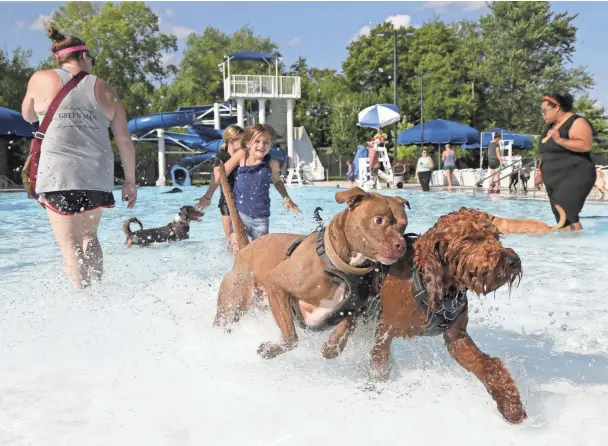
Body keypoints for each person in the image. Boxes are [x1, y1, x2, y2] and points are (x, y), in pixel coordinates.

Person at [21, 26, 136, 289]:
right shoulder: (106, 89)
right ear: (83, 56)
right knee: (89, 236)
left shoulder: (39, 78)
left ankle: (81, 302)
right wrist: (130, 181)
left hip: (57, 174)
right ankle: (97, 291)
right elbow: (124, 140)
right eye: (91, 59)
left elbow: (27, 115)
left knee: (68, 246)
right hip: (97, 174)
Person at [196, 123, 301, 252]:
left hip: (262, 220)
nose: (261, 145)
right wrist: (208, 196)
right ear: (248, 143)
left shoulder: (272, 163)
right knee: (237, 252)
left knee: (258, 256)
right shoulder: (242, 156)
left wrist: (286, 198)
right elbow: (220, 175)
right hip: (241, 217)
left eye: (266, 142)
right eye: (257, 141)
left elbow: (278, 182)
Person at [539, 92, 596, 231]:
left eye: (544, 110)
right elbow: (546, 153)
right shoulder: (551, 127)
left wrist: (560, 140)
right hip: (554, 178)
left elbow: (585, 145)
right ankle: (572, 248)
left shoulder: (576, 122)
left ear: (556, 107)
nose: (542, 114)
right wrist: (539, 172)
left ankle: (574, 249)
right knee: (562, 217)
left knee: (566, 214)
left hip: (575, 175)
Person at [211, 125, 244, 246]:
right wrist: (233, 163)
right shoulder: (221, 156)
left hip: (245, 202)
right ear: (231, 141)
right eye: (243, 140)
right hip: (227, 204)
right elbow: (217, 178)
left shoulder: (246, 156)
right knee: (231, 240)